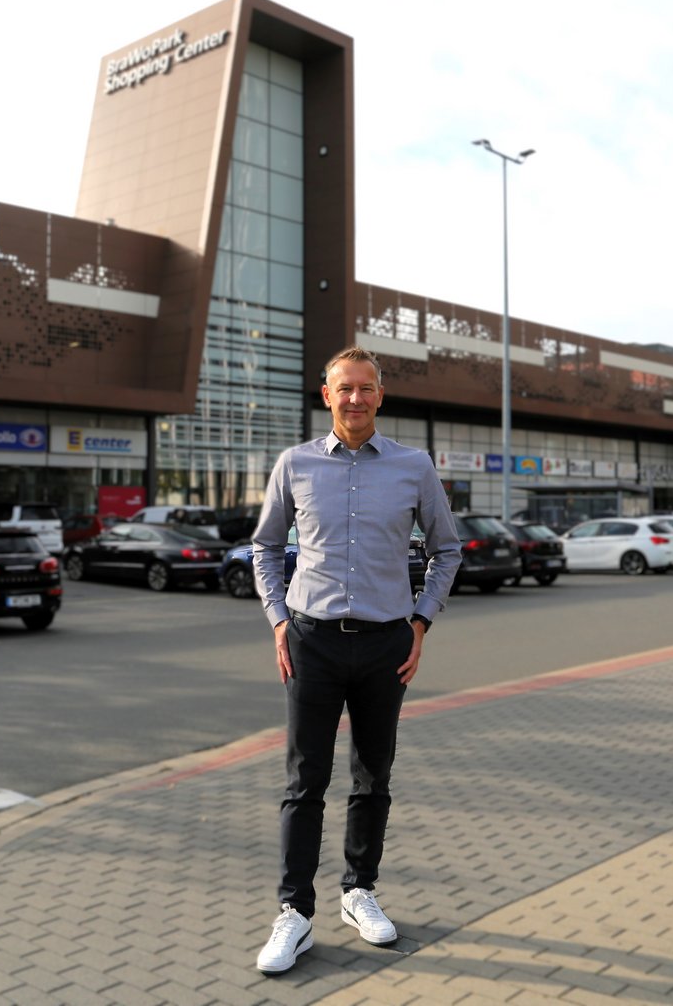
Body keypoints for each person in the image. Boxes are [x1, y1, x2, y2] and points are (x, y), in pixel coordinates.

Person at [251, 345, 464, 974]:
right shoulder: (295, 464)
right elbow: (264, 547)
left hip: (384, 645)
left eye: (366, 388)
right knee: (303, 782)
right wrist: (279, 621)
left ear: (380, 394)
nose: (355, 399)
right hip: (311, 640)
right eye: (344, 388)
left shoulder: (413, 466)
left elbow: (446, 550)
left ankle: (358, 891)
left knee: (374, 776)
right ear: (326, 395)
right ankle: (294, 913)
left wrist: (421, 622)